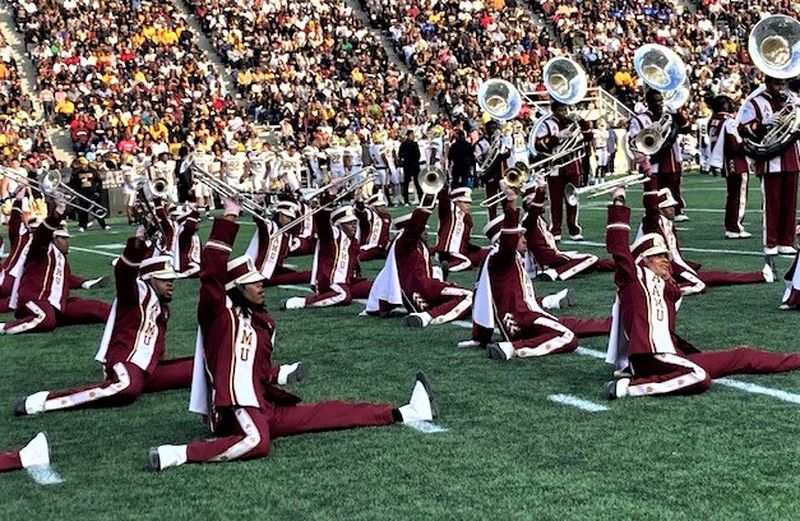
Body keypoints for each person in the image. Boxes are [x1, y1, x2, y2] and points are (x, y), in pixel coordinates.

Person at [147, 200, 439, 471]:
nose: (261, 286)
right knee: (257, 443)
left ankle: (404, 413)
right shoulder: (218, 316)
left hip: (261, 404)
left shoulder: (260, 323)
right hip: (236, 407)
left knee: (328, 412)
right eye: (253, 283)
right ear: (236, 288)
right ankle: (178, 453)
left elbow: (256, 371)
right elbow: (211, 274)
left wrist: (280, 374)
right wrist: (230, 217)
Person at [603, 190, 800, 399]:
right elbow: (619, 248)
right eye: (658, 256)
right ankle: (629, 388)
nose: (665, 260)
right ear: (644, 260)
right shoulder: (633, 280)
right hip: (650, 357)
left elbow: (674, 292)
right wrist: (619, 200)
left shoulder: (669, 289)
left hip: (671, 355)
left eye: (665, 255)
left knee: (741, 355)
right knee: (699, 376)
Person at [13, 231, 192, 415]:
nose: (170, 283)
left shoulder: (163, 308)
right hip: (127, 362)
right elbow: (124, 272)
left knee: (198, 369)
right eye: (164, 279)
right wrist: (137, 244)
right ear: (150, 279)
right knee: (127, 388)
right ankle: (43, 401)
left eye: (171, 279)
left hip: (150, 368)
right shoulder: (135, 293)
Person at [469, 189, 611, 361]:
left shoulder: (508, 258)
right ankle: (512, 348)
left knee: (571, 324)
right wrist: (511, 202)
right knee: (568, 338)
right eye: (520, 235)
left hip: (528, 316)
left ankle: (613, 324)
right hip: (520, 321)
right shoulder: (500, 257)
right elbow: (508, 240)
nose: (524, 238)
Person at [639, 181, 772, 296]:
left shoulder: (667, 223)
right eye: (668, 207)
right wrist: (649, 177)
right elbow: (650, 207)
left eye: (673, 206)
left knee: (717, 275)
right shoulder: (653, 221)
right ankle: (667, 290)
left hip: (673, 267)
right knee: (700, 284)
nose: (673, 209)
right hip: (662, 269)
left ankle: (761, 275)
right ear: (659, 209)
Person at [1, 195, 110, 335]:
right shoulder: (39, 249)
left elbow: (66, 279)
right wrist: (57, 212)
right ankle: (4, 327)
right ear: (54, 237)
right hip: (34, 300)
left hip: (56, 303)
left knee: (96, 308)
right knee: (45, 319)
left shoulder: (61, 260)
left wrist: (85, 283)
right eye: (63, 238)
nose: (66, 242)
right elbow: (42, 235)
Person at [365, 194, 473, 328]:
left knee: (459, 295)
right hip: (422, 290)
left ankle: (427, 314)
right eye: (423, 230)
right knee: (470, 296)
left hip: (419, 292)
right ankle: (428, 316)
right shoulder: (405, 243)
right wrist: (427, 203)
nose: (426, 233)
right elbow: (413, 229)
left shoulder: (413, 246)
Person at [738, 77, 799, 255]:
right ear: (767, 84)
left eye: (782, 84)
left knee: (790, 204)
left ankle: (786, 241)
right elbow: (742, 128)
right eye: (776, 84)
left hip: (792, 158)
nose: (779, 88)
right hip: (769, 160)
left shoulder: (792, 102)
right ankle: (771, 243)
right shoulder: (755, 102)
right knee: (772, 204)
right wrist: (761, 124)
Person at [281, 200, 372, 309]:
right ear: (339, 225)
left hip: (347, 283)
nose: (354, 226)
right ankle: (302, 302)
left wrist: (360, 203)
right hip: (329, 284)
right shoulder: (331, 237)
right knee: (344, 296)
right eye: (349, 223)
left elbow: (365, 226)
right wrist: (325, 204)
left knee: (376, 286)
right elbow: (323, 226)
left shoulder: (352, 241)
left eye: (354, 223)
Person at [522, 182, 614, 281]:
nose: (544, 203)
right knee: (590, 258)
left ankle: (625, 264)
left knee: (592, 264)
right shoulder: (529, 220)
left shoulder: (539, 219)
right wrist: (540, 190)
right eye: (539, 200)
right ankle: (554, 273)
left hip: (553, 256)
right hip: (548, 260)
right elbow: (534, 211)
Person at [628, 89, 691, 221]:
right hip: (652, 161)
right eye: (656, 101)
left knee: (674, 187)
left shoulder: (669, 116)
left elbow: (686, 128)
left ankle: (677, 210)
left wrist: (677, 114)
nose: (659, 104)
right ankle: (653, 212)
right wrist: (643, 162)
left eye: (660, 100)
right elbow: (634, 142)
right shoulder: (640, 119)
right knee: (653, 190)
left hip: (671, 158)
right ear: (648, 102)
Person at [532, 100, 585, 240]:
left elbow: (588, 137)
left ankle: (574, 230)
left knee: (573, 199)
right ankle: (555, 231)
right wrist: (558, 136)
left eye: (565, 110)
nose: (564, 113)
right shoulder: (546, 124)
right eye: (561, 110)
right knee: (555, 201)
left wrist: (583, 122)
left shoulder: (573, 124)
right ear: (554, 110)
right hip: (555, 167)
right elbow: (540, 145)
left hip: (573, 165)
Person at [708, 94, 751, 239]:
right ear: (724, 106)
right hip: (735, 162)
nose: (732, 105)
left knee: (732, 195)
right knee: (738, 196)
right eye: (729, 103)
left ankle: (731, 225)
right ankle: (735, 226)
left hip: (726, 162)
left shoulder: (713, 121)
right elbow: (734, 143)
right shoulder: (728, 122)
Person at [244, 201, 311, 286]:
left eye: (290, 218)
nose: (289, 221)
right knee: (305, 276)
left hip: (275, 271)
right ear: (279, 214)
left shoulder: (287, 235)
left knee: (301, 274)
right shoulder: (271, 226)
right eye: (286, 217)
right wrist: (259, 209)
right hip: (262, 275)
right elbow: (260, 222)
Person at [434, 187, 486, 272]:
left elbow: (464, 240)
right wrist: (442, 185)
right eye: (465, 202)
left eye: (469, 203)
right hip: (448, 252)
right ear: (456, 202)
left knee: (486, 254)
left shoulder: (467, 218)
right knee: (466, 263)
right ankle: (441, 270)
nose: (468, 205)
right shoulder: (448, 211)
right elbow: (443, 199)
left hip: (462, 251)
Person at [477, 121, 509, 220]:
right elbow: (479, 159)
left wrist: (503, 151)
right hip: (490, 175)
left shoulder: (502, 141)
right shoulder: (481, 143)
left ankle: (509, 222)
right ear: (486, 130)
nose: (493, 130)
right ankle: (492, 224)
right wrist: (488, 153)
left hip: (502, 173)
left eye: (495, 128)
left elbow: (508, 154)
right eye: (491, 128)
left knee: (506, 200)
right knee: (491, 202)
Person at [69, 160, 109, 232]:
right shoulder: (77, 173)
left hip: (93, 193)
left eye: (83, 164)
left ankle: (103, 225)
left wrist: (98, 192)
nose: (82, 166)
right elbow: (73, 184)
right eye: (81, 164)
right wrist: (77, 192)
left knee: (97, 209)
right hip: (83, 194)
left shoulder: (93, 172)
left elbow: (99, 182)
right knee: (84, 210)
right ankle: (83, 226)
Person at [355, 192, 392, 262]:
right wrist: (359, 201)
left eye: (383, 205)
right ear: (373, 207)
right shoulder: (370, 214)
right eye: (380, 206)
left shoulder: (387, 217)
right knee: (358, 258)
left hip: (383, 248)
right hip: (368, 247)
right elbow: (361, 213)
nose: (383, 208)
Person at [398, 130, 421, 205]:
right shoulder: (414, 144)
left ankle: (406, 201)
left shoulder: (403, 144)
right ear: (409, 135)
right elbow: (418, 155)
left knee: (407, 183)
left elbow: (400, 154)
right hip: (413, 165)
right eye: (412, 135)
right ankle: (420, 199)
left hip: (407, 165)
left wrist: (404, 159)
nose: (413, 136)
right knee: (416, 183)